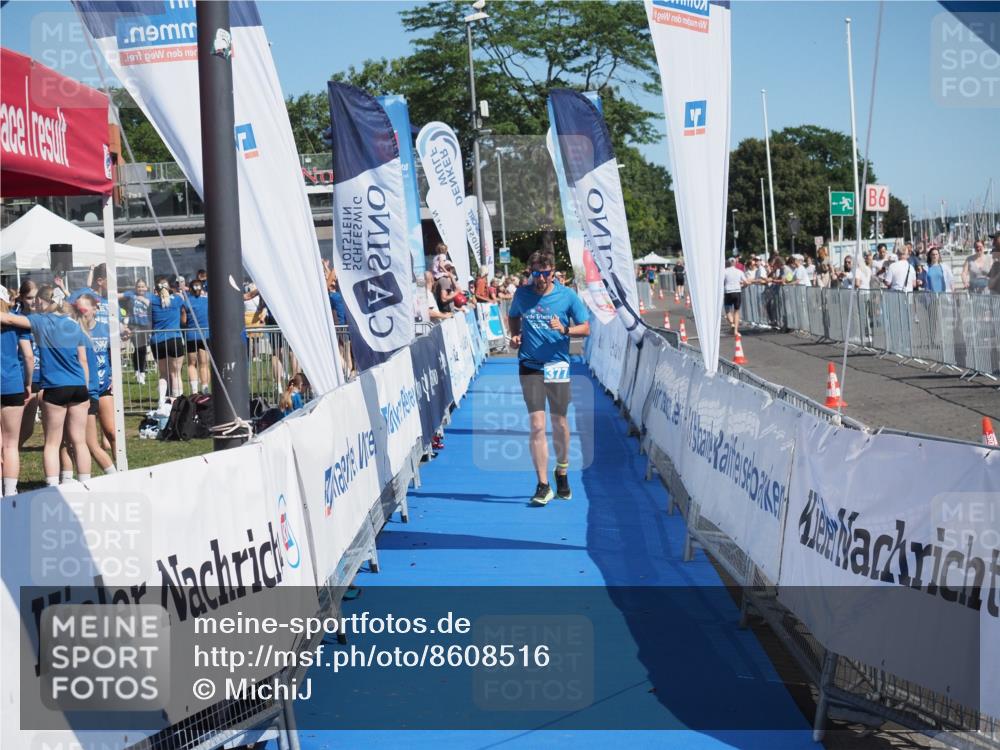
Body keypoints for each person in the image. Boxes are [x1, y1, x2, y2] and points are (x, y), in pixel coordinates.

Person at [507, 251, 590, 506]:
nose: (540, 279)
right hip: (530, 365)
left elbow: (586, 327)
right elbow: (513, 316)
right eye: (535, 274)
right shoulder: (522, 294)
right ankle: (543, 484)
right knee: (537, 425)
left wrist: (565, 329)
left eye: (544, 274)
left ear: (553, 272)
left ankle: (562, 471)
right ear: (529, 272)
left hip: (557, 365)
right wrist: (516, 335)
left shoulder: (567, 296)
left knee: (560, 423)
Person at [0, 297, 92, 487]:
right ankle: (86, 485)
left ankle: (52, 487)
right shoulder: (75, 326)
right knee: (80, 442)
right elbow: (83, 360)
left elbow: (9, 320)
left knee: (52, 443)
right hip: (79, 386)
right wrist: (87, 388)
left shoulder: (42, 321)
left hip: (54, 387)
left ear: (46, 303)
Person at [74, 293, 117, 475]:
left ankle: (122, 467)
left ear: (94, 309)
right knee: (83, 439)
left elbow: (112, 355)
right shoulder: (74, 331)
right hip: (85, 388)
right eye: (78, 309)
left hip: (104, 385)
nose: (82, 313)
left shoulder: (105, 329)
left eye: (84, 309)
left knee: (112, 432)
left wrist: (114, 375)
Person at [1, 285, 34, 495]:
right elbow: (29, 356)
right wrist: (28, 383)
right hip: (13, 383)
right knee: (11, 444)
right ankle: (11, 492)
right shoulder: (17, 321)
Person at [13, 281, 42, 450]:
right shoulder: (14, 316)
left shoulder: (43, 316)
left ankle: (9, 454)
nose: (33, 301)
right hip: (21, 375)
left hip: (41, 374)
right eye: (29, 297)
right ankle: (8, 455)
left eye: (36, 297)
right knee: (14, 426)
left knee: (28, 428)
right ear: (22, 297)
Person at [149, 276, 185, 410]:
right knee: (176, 374)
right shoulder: (177, 299)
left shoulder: (152, 301)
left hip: (157, 340)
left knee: (163, 374)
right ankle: (178, 404)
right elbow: (182, 297)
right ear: (168, 287)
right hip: (174, 338)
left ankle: (161, 402)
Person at [182, 279, 210, 395]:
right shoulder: (207, 301)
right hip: (205, 334)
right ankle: (205, 389)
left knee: (191, 364)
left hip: (191, 335)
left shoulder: (186, 302)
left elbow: (184, 321)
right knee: (204, 364)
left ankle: (194, 391)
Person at [121, 279, 151, 385]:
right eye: (139, 286)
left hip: (145, 326)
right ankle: (139, 373)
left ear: (146, 287)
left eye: (143, 286)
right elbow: (119, 296)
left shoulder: (149, 296)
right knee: (139, 348)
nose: (141, 288)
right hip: (134, 326)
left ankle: (140, 371)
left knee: (142, 349)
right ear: (135, 288)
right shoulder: (131, 295)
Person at [722, 256, 745, 334]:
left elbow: (721, 281)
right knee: (736, 311)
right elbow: (745, 281)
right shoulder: (739, 271)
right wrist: (742, 286)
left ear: (728, 263)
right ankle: (736, 331)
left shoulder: (724, 271)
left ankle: (732, 323)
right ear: (735, 263)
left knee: (728, 310)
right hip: (737, 291)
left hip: (728, 291)